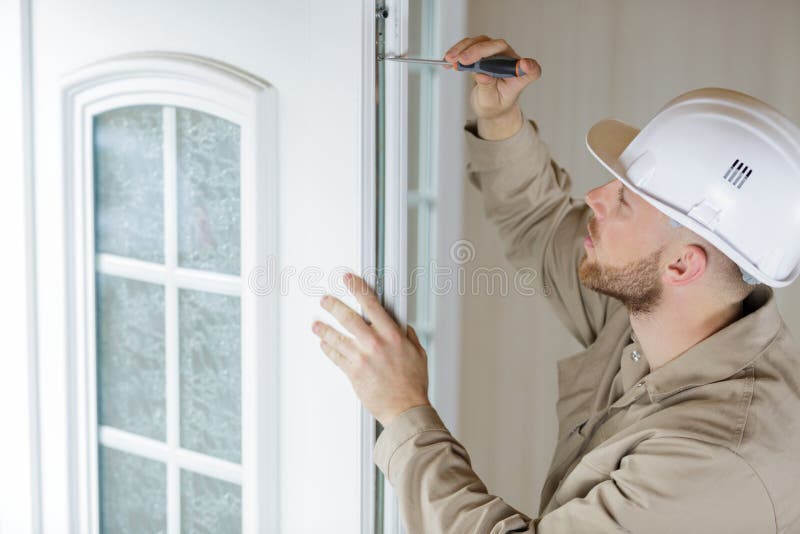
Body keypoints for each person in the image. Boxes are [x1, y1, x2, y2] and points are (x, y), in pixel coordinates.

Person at [312, 35, 800, 533]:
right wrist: (500, 120)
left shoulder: (718, 460)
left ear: (682, 266)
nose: (595, 197)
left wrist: (403, 409)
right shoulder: (665, 310)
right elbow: (542, 225)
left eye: (625, 200)